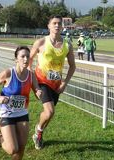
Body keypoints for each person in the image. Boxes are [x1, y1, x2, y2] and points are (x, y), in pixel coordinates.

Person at [0, 46, 42, 160]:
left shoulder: (31, 75)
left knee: (22, 147)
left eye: (27, 57)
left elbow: (36, 88)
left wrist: (38, 92)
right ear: (16, 59)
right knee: (12, 148)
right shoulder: (8, 73)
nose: (25, 59)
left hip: (22, 112)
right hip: (6, 112)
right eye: (22, 56)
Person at [29, 15, 76, 150]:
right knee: (49, 112)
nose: (57, 25)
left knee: (50, 113)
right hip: (41, 81)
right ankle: (38, 132)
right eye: (54, 23)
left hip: (56, 83)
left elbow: (72, 66)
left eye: (59, 24)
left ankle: (38, 132)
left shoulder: (67, 45)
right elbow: (29, 63)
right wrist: (35, 84)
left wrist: (64, 83)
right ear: (48, 26)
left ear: (62, 27)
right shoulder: (41, 43)